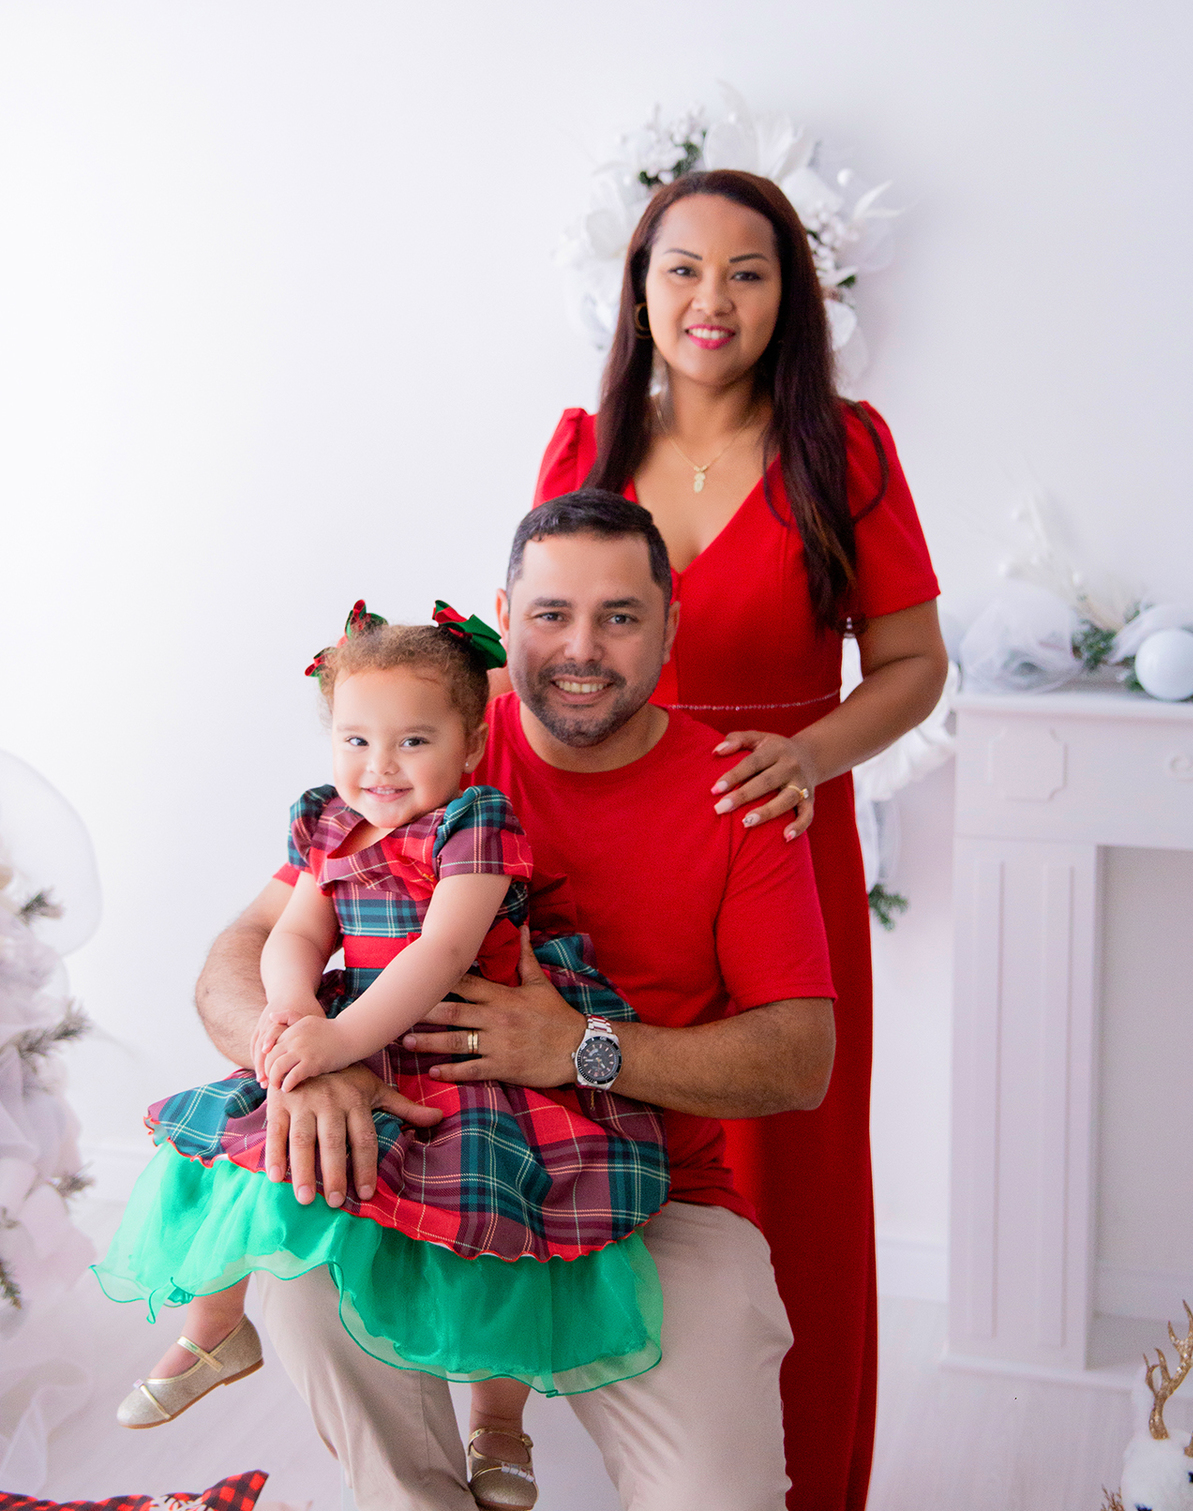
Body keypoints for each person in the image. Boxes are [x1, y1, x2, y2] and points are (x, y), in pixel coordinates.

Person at [192, 491, 837, 1511]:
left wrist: (582, 1047)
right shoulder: (423, 742)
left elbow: (801, 1060)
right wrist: (308, 1066)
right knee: (305, 1275)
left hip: (658, 1195)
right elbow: (242, 952)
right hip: (419, 1158)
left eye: (619, 616)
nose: (582, 648)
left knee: (721, 1499)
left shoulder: (735, 795)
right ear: (505, 618)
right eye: (551, 614)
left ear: (670, 626)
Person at [532, 171, 947, 1511]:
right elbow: (534, 649)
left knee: (792, 1179)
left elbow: (914, 665)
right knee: (599, 1142)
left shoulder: (847, 451)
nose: (712, 300)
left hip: (777, 839)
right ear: (640, 288)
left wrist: (810, 754)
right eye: (684, 269)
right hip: (607, 855)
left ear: (789, 297)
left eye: (748, 272)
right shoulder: (584, 449)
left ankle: (804, 1485)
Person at [96, 600, 671, 1511]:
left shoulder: (475, 824)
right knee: (248, 1154)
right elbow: (296, 933)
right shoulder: (328, 825)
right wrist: (294, 1014)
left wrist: (341, 1037)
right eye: (357, 741)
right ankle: (215, 1327)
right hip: (349, 1031)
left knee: (498, 1230)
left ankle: (497, 1419)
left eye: (412, 742)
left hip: (460, 1050)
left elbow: (441, 951)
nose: (381, 766)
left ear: (469, 747)